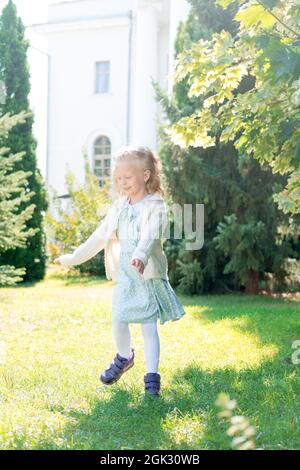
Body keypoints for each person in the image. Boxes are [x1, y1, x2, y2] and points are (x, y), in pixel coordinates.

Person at [54, 145, 186, 397]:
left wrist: (140, 255)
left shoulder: (155, 205)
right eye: (118, 178)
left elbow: (149, 235)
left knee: (148, 327)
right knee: (119, 319)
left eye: (128, 177)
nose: (122, 182)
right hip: (127, 274)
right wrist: (74, 257)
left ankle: (152, 376)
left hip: (146, 274)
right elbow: (99, 237)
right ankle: (125, 357)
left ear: (145, 175)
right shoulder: (119, 207)